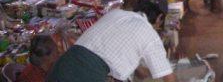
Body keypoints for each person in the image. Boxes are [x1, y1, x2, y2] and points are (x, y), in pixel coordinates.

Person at [47, 8, 176, 82]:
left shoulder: (116, 14)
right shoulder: (150, 35)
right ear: (158, 19)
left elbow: (139, 71)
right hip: (86, 75)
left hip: (62, 65)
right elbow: (169, 78)